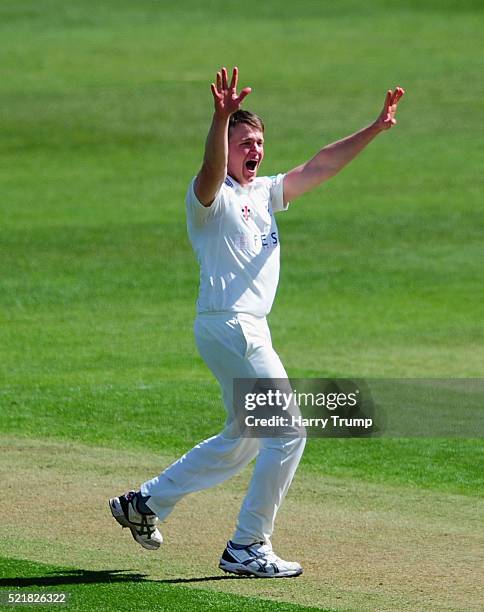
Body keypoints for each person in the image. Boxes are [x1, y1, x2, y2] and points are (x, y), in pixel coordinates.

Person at [109, 67, 405, 578]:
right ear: (226, 147)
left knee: (244, 437)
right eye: (244, 141)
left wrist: (374, 128)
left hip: (240, 328)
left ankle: (146, 503)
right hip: (233, 325)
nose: (256, 150)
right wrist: (220, 118)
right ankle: (247, 545)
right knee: (288, 433)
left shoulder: (264, 193)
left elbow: (319, 165)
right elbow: (209, 169)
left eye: (259, 141)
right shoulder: (210, 198)